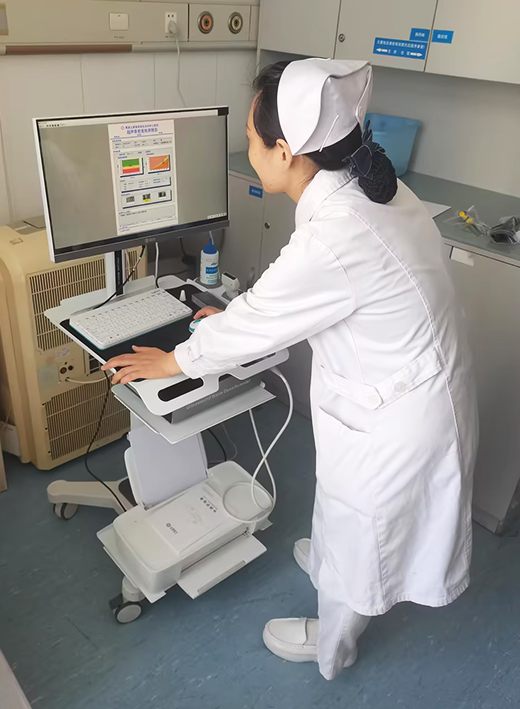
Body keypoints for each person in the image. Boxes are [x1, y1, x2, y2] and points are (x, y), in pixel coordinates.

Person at [103, 58, 479, 680]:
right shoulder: (372, 186)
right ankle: (331, 562)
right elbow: (299, 298)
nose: (247, 150)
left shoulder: (336, 234)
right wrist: (232, 319)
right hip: (402, 384)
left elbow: (274, 306)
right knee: (341, 509)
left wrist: (174, 359)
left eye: (252, 140)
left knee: (360, 530)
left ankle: (333, 645)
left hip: (395, 414)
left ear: (286, 152)